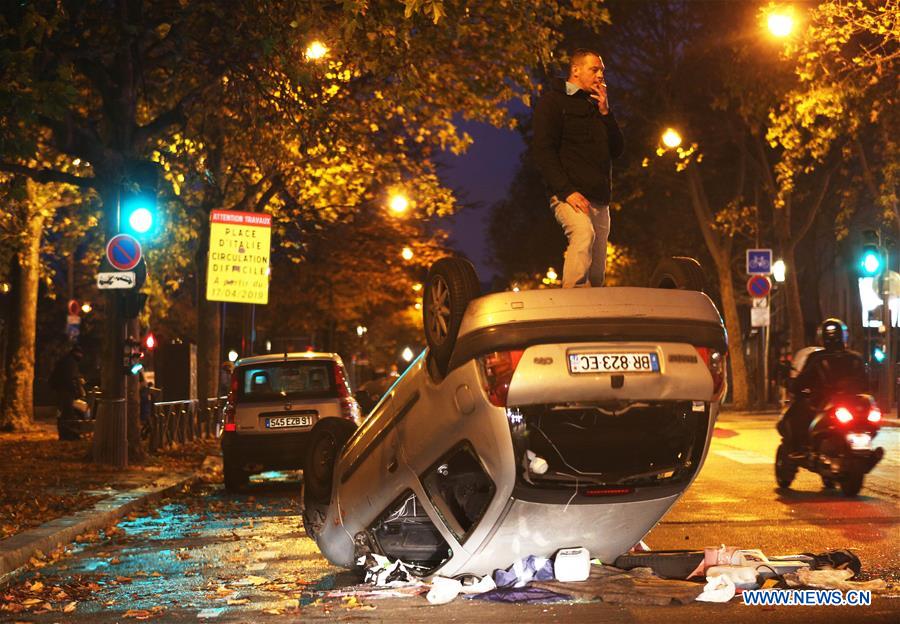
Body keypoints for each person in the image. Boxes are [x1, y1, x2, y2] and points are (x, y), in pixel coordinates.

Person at [532, 48, 625, 288]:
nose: (600, 76)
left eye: (602, 71)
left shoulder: (597, 106)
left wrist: (606, 113)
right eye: (594, 70)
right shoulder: (553, 102)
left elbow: (617, 150)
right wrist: (567, 191)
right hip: (570, 195)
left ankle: (593, 308)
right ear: (575, 70)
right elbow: (543, 151)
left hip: (599, 199)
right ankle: (571, 300)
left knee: (597, 272)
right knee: (583, 234)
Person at [779, 318, 868, 452]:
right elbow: (866, 383)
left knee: (799, 414)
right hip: (852, 404)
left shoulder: (817, 358)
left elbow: (803, 379)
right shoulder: (856, 358)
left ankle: (798, 450)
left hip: (824, 403)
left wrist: (794, 385)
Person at [49, 344, 85, 440]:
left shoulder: (66, 361)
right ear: (76, 353)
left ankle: (65, 434)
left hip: (60, 390)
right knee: (67, 413)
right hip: (66, 392)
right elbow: (70, 379)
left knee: (63, 413)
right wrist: (76, 392)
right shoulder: (71, 363)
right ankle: (69, 435)